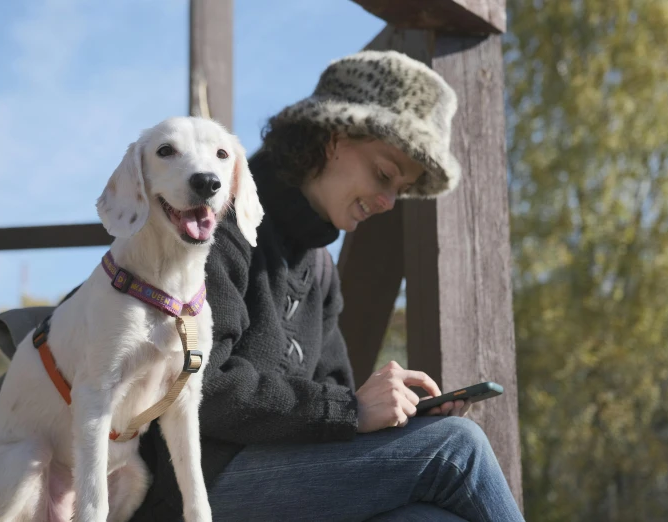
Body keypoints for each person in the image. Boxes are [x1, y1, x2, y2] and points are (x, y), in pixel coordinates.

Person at [129, 50, 526, 522]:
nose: (386, 201)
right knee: (456, 449)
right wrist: (350, 409)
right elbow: (200, 385)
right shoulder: (212, 224)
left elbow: (333, 400)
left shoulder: (319, 268)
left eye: (401, 189)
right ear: (332, 138)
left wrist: (398, 419)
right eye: (384, 174)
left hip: (273, 480)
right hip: (189, 489)